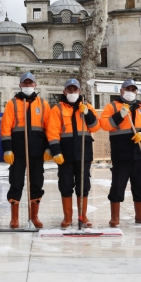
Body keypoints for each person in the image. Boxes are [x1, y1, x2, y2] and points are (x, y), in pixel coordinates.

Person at [100, 79, 141, 227]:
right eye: (127, 89)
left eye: (133, 90)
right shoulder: (112, 106)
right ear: (121, 91)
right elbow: (105, 124)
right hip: (121, 152)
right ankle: (115, 217)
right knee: (118, 185)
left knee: (139, 185)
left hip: (140, 151)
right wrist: (120, 115)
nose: (130, 92)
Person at [47, 79, 101, 229]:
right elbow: (52, 131)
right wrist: (56, 152)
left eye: (75, 90)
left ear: (80, 92)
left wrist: (87, 113)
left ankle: (83, 216)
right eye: (69, 90)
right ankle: (68, 217)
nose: (72, 93)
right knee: (65, 184)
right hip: (65, 153)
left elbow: (96, 127)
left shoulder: (87, 107)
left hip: (84, 152)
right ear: (64, 92)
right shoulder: (57, 108)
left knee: (83, 185)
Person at [0, 72, 51, 229]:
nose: (28, 85)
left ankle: (34, 216)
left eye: (30, 83)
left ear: (35, 85)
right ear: (20, 85)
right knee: (16, 182)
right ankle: (14, 218)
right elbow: (6, 127)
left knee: (36, 183)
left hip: (37, 150)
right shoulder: (12, 103)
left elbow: (50, 127)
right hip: (17, 151)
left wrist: (49, 147)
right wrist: (7, 150)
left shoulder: (43, 104)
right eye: (25, 83)